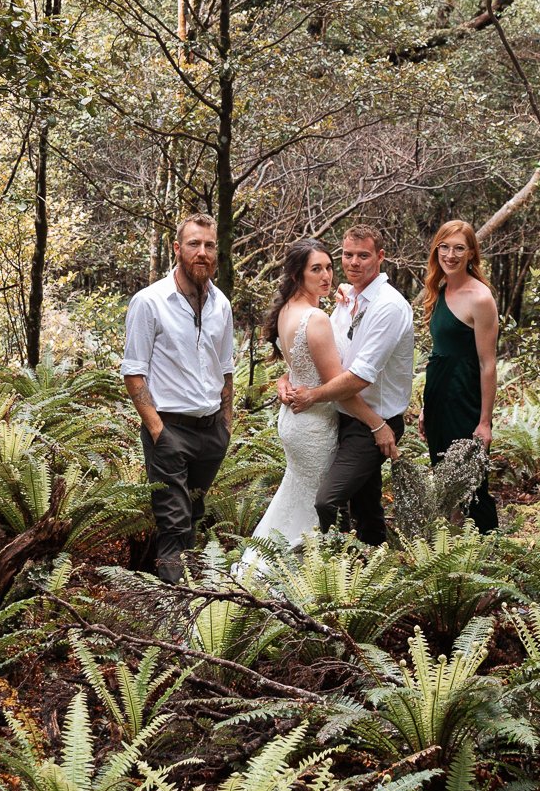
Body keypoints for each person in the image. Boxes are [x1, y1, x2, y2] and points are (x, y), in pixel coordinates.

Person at [121, 215, 236, 583]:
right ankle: (177, 608)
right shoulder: (149, 302)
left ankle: (184, 594)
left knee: (194, 514)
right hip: (170, 430)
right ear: (177, 248)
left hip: (211, 432)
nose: (202, 253)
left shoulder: (222, 305)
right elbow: (133, 371)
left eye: (209, 245)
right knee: (173, 523)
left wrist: (226, 425)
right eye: (193, 244)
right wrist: (158, 432)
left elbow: (226, 368)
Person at [279, 224, 410, 543]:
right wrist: (288, 377)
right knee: (366, 505)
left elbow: (358, 378)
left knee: (328, 500)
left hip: (372, 421)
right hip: (342, 416)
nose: (353, 263)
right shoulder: (345, 298)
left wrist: (313, 396)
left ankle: (337, 562)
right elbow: (317, 355)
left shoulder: (388, 307)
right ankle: (368, 566)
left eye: (363, 256)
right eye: (348, 255)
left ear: (380, 257)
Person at [253, 240, 386, 550]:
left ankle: (266, 558)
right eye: (316, 269)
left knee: (295, 495)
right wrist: (376, 424)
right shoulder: (315, 319)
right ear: (298, 275)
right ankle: (299, 575)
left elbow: (299, 365)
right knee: (314, 504)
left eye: (328, 267)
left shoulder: (289, 310)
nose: (327, 275)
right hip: (314, 426)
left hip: (293, 419)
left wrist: (285, 378)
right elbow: (338, 387)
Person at [420, 219, 501, 531]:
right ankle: (451, 554)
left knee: (472, 485)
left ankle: (488, 557)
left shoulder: (480, 298)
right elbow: (441, 352)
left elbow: (487, 364)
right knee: (445, 478)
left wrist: (484, 422)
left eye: (459, 248)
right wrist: (428, 406)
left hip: (464, 400)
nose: (450, 255)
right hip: (438, 397)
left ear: (471, 254)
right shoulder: (439, 290)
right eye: (444, 247)